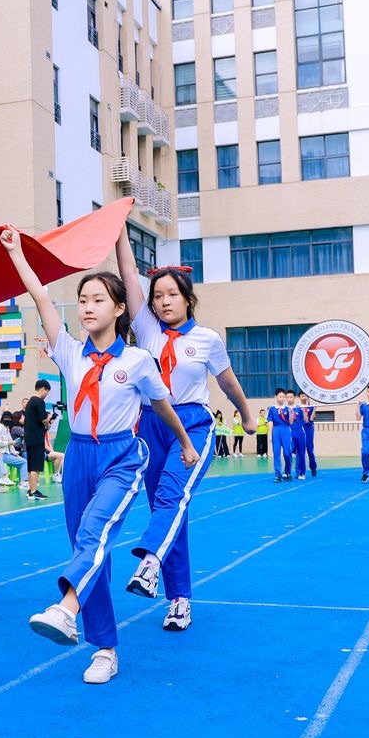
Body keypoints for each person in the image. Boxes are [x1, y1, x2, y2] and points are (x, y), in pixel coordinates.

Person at [4, 225, 198, 686]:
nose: (88, 307)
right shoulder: (69, 353)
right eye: (83, 300)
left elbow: (163, 407)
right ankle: (105, 649)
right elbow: (41, 298)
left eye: (96, 300)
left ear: (118, 308)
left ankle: (65, 608)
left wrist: (186, 443)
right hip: (78, 458)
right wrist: (15, 252)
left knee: (94, 533)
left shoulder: (136, 361)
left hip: (121, 458)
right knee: (89, 550)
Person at [116, 239, 254, 630]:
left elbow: (227, 382)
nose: (163, 302)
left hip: (192, 423)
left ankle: (149, 563)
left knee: (172, 496)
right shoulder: (145, 327)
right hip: (150, 425)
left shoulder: (207, 339)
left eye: (171, 295)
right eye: (157, 296)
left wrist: (246, 416)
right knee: (169, 509)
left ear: (187, 299)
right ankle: (179, 601)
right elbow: (128, 273)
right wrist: (119, 235)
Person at [22, 380, 52, 500]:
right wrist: (48, 422)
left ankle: (30, 489)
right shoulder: (39, 402)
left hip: (29, 437)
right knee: (36, 466)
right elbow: (43, 420)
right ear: (43, 389)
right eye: (47, 392)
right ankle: (34, 491)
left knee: (31, 465)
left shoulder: (30, 402)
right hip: (36, 437)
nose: (46, 395)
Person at [267, 390, 297, 483]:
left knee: (287, 453)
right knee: (276, 453)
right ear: (275, 397)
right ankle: (278, 475)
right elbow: (270, 422)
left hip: (286, 430)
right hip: (276, 430)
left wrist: (291, 413)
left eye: (284, 397)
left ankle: (287, 472)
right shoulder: (272, 409)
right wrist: (270, 434)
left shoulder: (288, 408)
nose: (282, 398)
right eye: (280, 396)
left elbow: (291, 422)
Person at [293, 391, 317, 480]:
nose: (303, 397)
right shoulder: (297, 407)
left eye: (305, 395)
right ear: (299, 397)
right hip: (300, 429)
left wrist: (314, 410)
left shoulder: (311, 407)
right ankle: (299, 472)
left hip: (309, 428)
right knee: (300, 450)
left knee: (310, 450)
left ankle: (313, 467)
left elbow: (310, 419)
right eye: (302, 396)